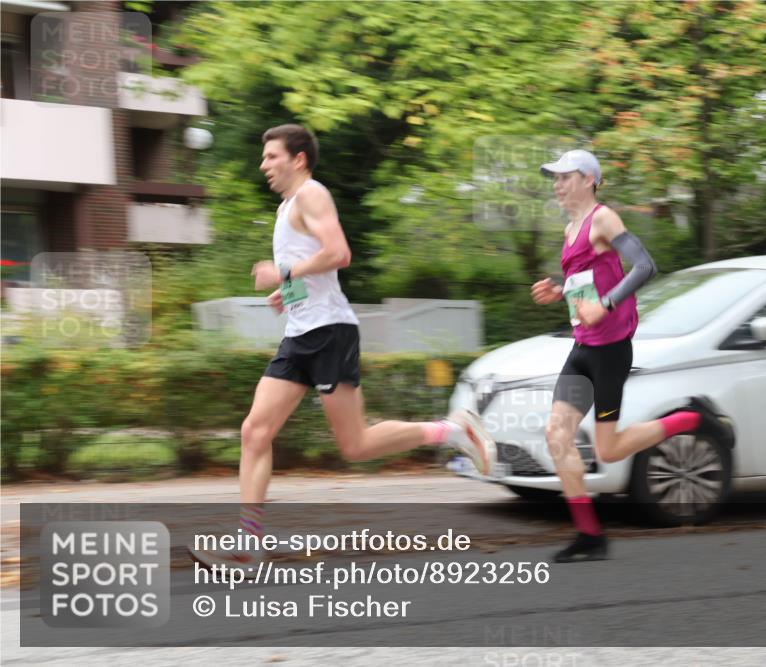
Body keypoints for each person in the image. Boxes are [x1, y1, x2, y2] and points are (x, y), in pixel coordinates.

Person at [189, 124, 495, 568]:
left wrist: (283, 276)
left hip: (331, 332)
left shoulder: (313, 194)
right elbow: (317, 272)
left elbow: (338, 253)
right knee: (254, 431)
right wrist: (288, 294)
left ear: (298, 159)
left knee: (355, 446)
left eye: (271, 156)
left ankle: (452, 431)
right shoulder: (287, 208)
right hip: (300, 335)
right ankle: (248, 545)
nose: (264, 164)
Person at [532, 150, 719, 563]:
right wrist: (560, 292)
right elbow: (587, 280)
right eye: (554, 179)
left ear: (587, 178)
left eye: (564, 177)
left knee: (610, 450)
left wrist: (607, 306)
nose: (557, 186)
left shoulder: (604, 218)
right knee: (557, 436)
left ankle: (692, 419)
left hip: (610, 350)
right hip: (581, 347)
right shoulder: (570, 228)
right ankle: (589, 535)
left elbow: (644, 266)